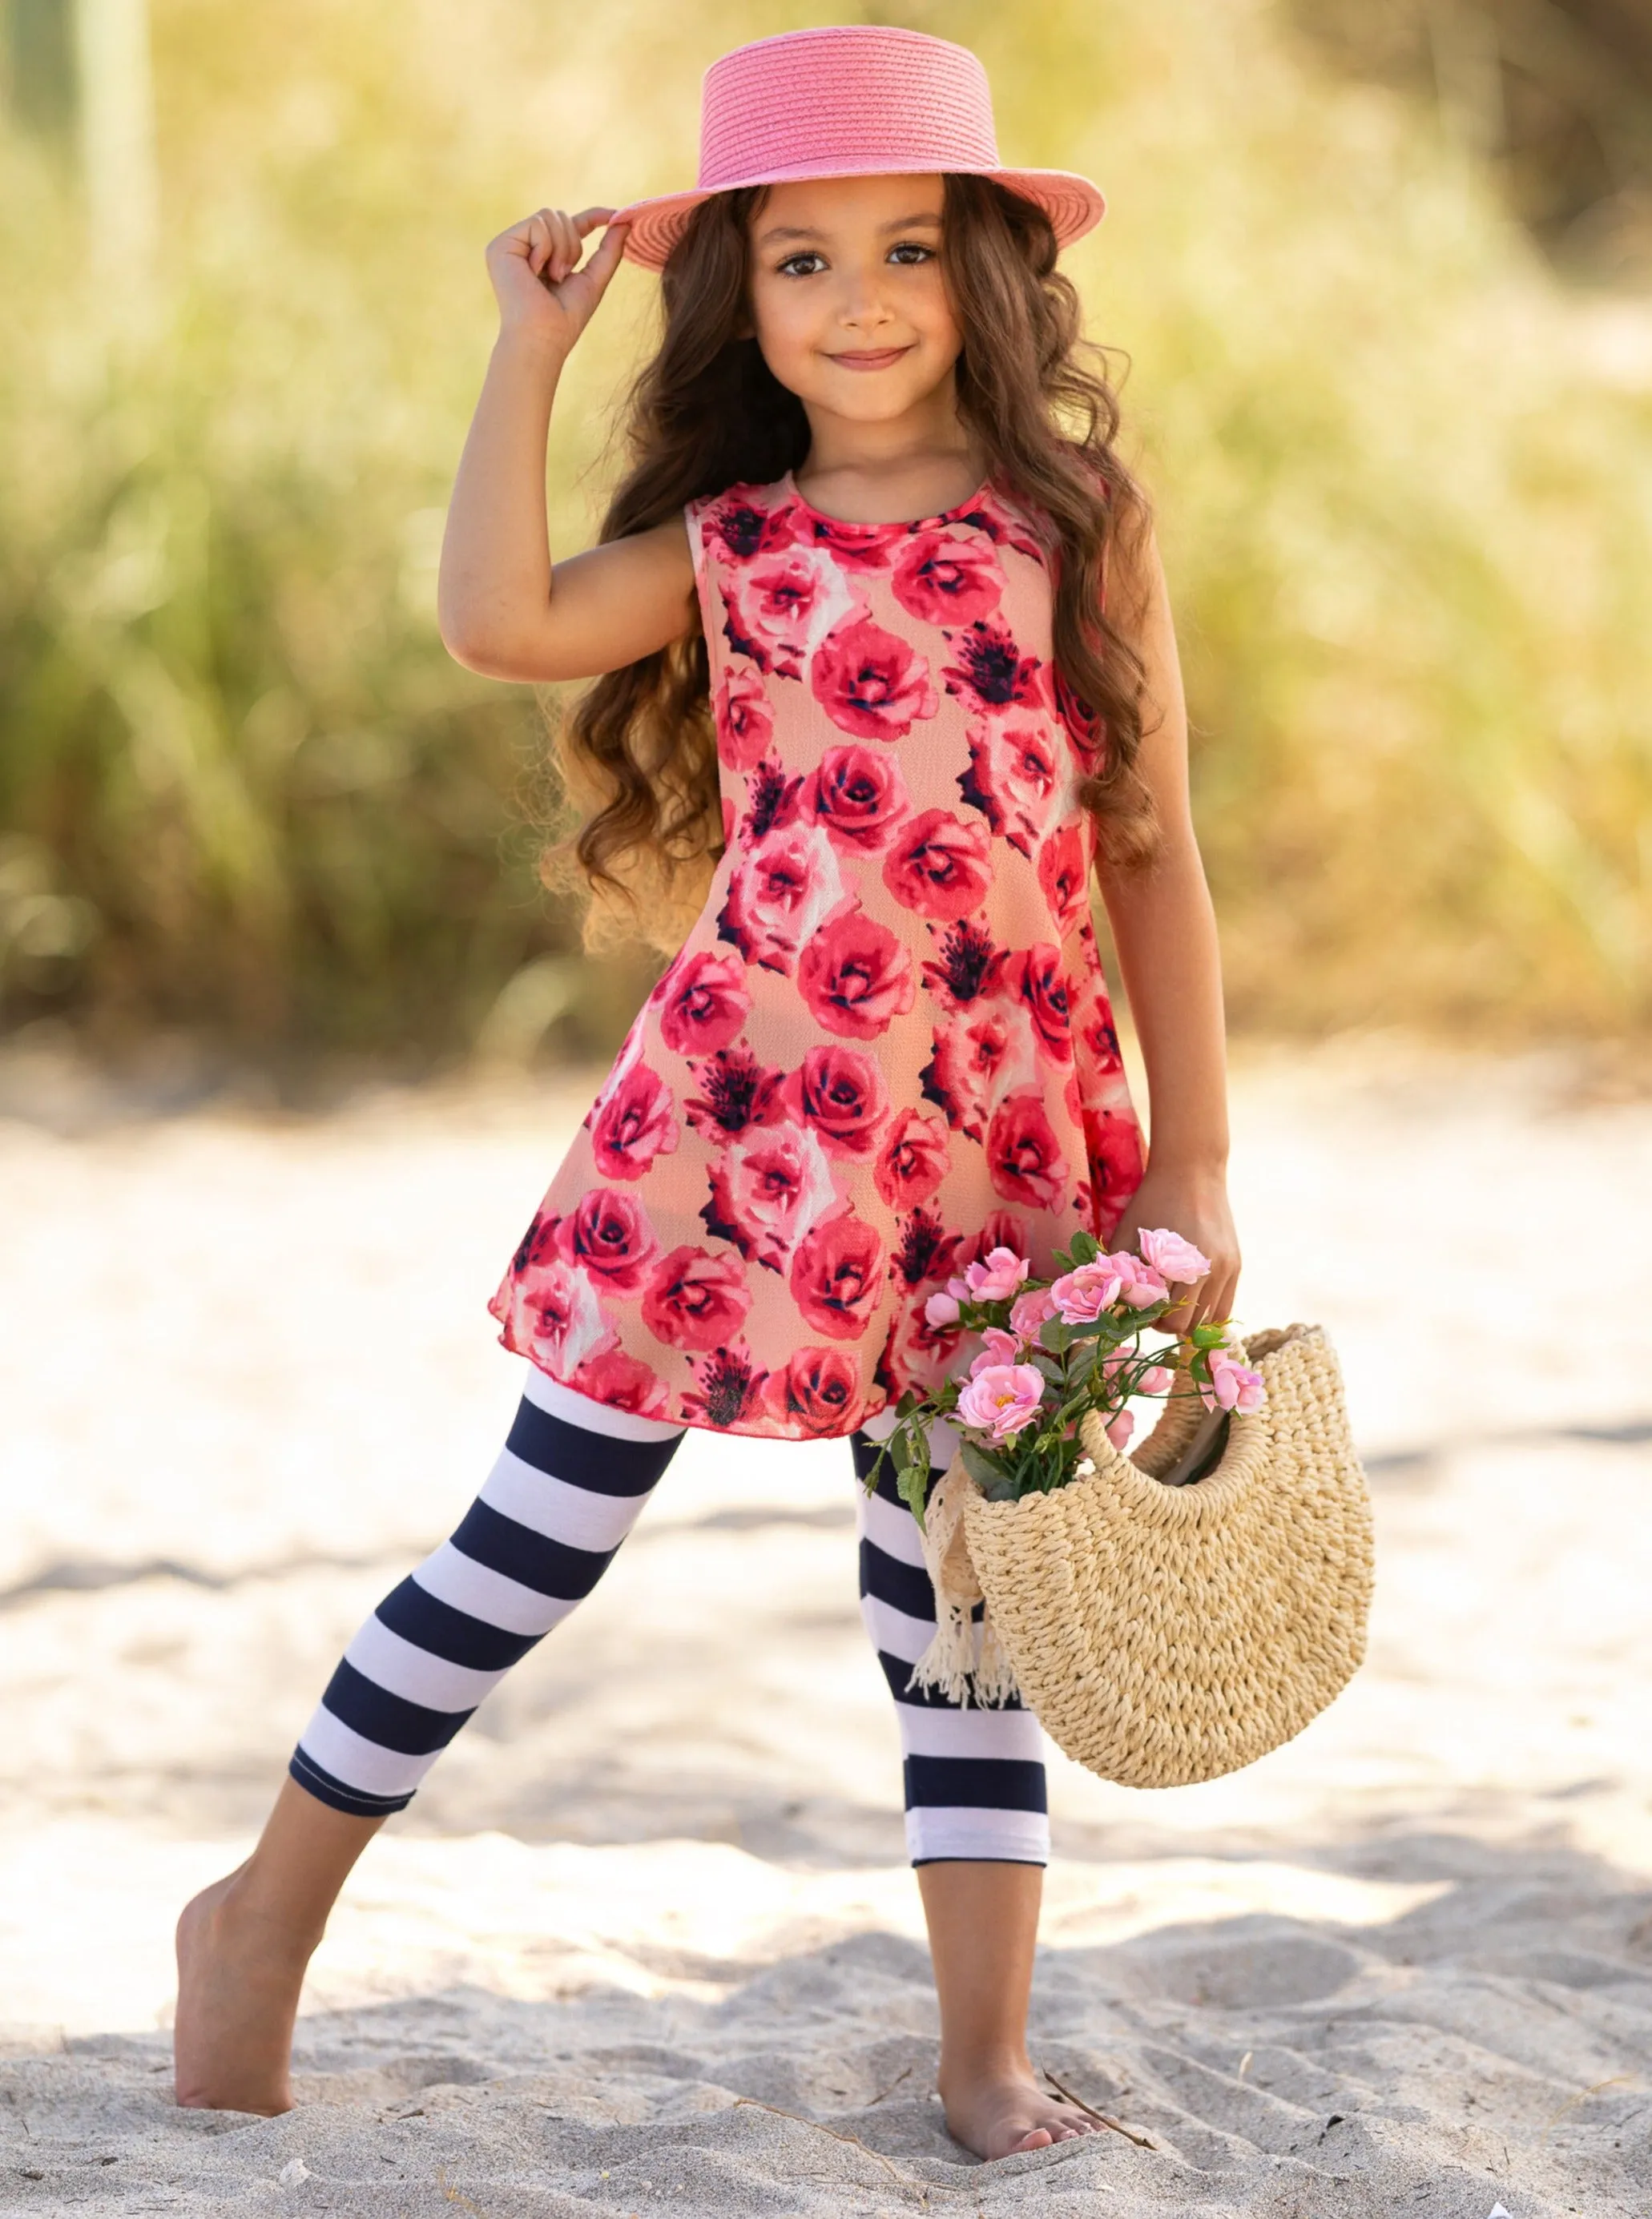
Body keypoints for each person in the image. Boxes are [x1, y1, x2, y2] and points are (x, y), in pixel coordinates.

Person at [173, 24, 1240, 2161]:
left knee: (961, 1591)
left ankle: (980, 2054)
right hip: (737, 1136)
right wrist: (527, 351)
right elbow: (497, 623)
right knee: (529, 1541)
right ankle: (260, 1919)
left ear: (992, 275)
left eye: (907, 249)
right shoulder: (733, 536)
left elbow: (1147, 849)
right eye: (801, 261)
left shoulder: (1069, 516)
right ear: (735, 300)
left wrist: (1194, 1160)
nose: (859, 305)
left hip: (1003, 1139)